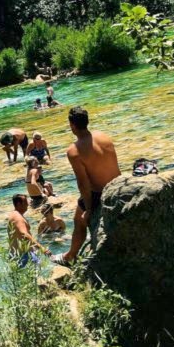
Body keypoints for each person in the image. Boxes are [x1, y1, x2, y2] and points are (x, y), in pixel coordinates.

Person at [53, 107, 121, 266]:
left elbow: (83, 183)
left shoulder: (74, 151)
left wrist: (89, 211)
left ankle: (70, 256)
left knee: (78, 219)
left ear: (72, 125)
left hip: (100, 192)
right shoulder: (103, 136)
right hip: (117, 185)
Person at [8, 194, 51, 267]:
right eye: (25, 202)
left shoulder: (14, 215)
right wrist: (42, 248)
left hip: (19, 253)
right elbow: (24, 234)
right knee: (36, 272)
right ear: (18, 204)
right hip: (22, 255)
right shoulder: (18, 217)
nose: (28, 204)